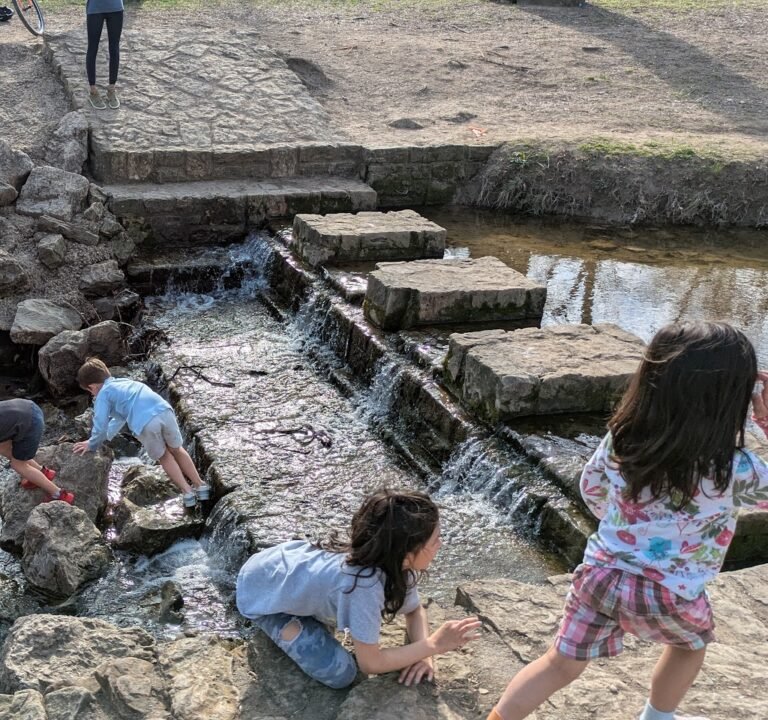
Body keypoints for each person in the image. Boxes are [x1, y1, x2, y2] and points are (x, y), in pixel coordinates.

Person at [487, 321, 768, 720]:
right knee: (691, 646)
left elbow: (592, 489)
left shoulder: (624, 437)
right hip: (670, 592)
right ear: (731, 400)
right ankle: (656, 716)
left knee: (560, 662)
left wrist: (626, 528)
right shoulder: (733, 469)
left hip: (600, 575)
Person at [236, 489, 482, 689]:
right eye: (435, 539)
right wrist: (434, 645)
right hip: (259, 590)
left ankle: (311, 610)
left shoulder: (390, 561)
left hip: (282, 568)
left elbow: (415, 610)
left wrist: (424, 656)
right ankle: (281, 621)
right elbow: (370, 663)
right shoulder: (363, 586)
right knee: (341, 673)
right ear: (407, 552)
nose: (441, 543)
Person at [72, 358, 210, 508]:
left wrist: (92, 443)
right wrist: (107, 436)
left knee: (164, 456)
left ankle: (188, 492)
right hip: (164, 410)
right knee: (177, 449)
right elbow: (119, 419)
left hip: (145, 423)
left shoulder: (103, 395)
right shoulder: (125, 383)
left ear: (92, 386)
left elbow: (100, 424)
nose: (92, 394)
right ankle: (201, 485)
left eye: (90, 391)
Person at [0, 398, 75, 504]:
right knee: (3, 446)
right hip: (29, 407)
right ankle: (43, 472)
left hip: (30, 425)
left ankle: (58, 494)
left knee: (18, 464)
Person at [85, 0, 124, 109]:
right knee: (92, 48)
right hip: (95, 9)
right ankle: (93, 91)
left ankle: (111, 89)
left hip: (116, 8)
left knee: (114, 49)